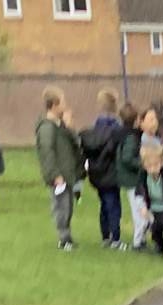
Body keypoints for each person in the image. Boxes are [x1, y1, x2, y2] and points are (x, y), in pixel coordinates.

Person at [36, 88, 83, 252]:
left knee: (68, 207)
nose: (65, 105)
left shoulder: (60, 126)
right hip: (59, 176)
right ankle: (63, 239)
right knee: (61, 207)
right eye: (63, 102)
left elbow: (75, 143)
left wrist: (69, 127)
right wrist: (54, 175)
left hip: (68, 173)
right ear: (54, 104)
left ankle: (67, 236)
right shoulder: (47, 128)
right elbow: (46, 152)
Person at [82, 90, 125, 250]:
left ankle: (105, 235)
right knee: (114, 205)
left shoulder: (95, 129)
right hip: (112, 173)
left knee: (104, 204)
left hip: (97, 172)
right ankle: (115, 237)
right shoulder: (116, 129)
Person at [116, 101, 149, 252]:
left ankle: (141, 239)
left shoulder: (126, 135)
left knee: (140, 209)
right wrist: (143, 163)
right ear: (136, 120)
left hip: (130, 179)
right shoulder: (131, 137)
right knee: (139, 211)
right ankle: (138, 242)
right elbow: (127, 158)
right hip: (132, 180)